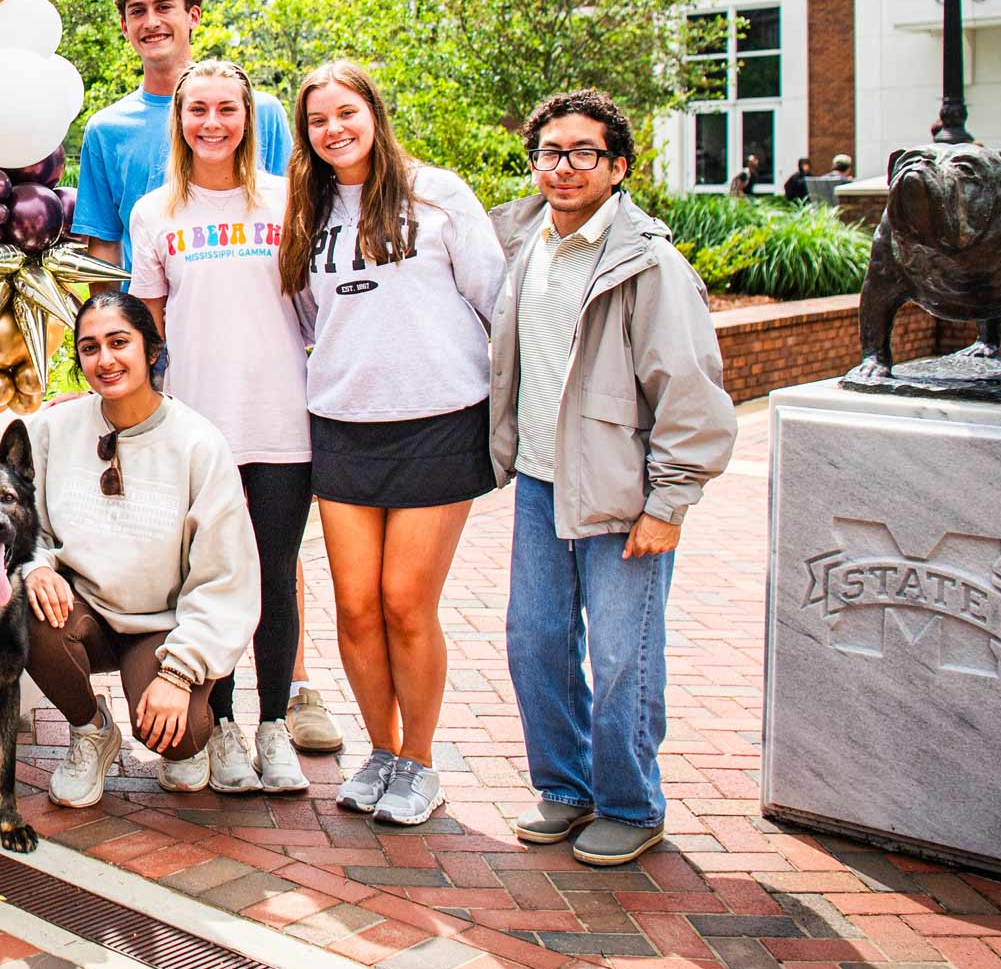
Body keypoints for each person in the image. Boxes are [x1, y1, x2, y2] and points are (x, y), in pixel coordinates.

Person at [489, 89, 736, 866]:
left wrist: (671, 502)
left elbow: (690, 391)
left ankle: (631, 804)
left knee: (625, 656)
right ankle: (565, 789)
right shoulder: (522, 243)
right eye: (550, 152)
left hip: (623, 495)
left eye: (584, 153)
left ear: (618, 166)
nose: (564, 168)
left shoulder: (648, 263)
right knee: (537, 642)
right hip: (540, 484)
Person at [285, 60, 504, 827]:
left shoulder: (438, 194)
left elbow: (496, 300)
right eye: (318, 120)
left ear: (373, 113)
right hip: (344, 428)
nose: (334, 129)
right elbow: (307, 322)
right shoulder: (306, 214)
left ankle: (420, 761)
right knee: (355, 608)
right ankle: (381, 751)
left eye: (346, 112)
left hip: (438, 423)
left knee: (406, 603)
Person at [129, 60, 337, 796]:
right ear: (179, 120)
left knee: (274, 579)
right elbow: (151, 324)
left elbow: (317, 308)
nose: (212, 123)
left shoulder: (289, 200)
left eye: (227, 109)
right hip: (198, 432)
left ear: (249, 119)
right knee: (209, 580)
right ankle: (221, 728)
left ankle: (273, 725)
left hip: (281, 422)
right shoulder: (155, 212)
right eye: (198, 110)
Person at [22, 292, 257, 809]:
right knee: (24, 605)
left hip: (160, 624)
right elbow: (21, 521)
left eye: (118, 343)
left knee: (181, 736)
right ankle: (91, 731)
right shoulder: (53, 428)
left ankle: (186, 727)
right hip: (80, 610)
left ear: (151, 350)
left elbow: (226, 577)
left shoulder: (198, 443)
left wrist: (179, 672)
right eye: (89, 348)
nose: (104, 360)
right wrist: (36, 567)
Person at [73, 0, 291, 273]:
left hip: (252, 296)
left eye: (164, 7)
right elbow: (104, 244)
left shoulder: (259, 113)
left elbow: (294, 219)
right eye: (138, 11)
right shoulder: (107, 130)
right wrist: (109, 306)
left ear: (193, 16)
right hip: (148, 302)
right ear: (124, 26)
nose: (151, 22)